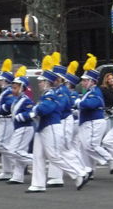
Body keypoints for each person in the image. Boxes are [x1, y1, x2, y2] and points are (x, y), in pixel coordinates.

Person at [25, 56, 88, 193]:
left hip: (51, 126)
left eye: (42, 81)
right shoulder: (48, 93)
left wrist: (35, 111)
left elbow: (48, 108)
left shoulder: (51, 93)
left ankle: (78, 173)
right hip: (43, 126)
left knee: (54, 155)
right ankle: (38, 184)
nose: (39, 83)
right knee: (38, 155)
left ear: (47, 82)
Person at [77, 54, 113, 179]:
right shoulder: (88, 92)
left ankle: (110, 159)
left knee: (90, 145)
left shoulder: (95, 91)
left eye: (85, 80)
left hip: (94, 121)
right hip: (88, 121)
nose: (83, 83)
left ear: (92, 81)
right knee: (84, 147)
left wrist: (79, 103)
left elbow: (93, 103)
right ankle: (89, 170)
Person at [7, 66, 35, 184]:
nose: (13, 90)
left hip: (25, 127)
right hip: (19, 127)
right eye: (12, 87)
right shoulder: (17, 99)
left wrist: (21, 116)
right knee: (20, 150)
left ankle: (37, 161)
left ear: (21, 88)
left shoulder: (26, 99)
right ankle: (18, 176)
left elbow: (31, 112)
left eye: (15, 88)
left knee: (14, 151)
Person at [0, 59, 16, 181]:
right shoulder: (5, 91)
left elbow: (10, 105)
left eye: (1, 80)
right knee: (4, 144)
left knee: (0, 144)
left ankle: (18, 163)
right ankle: (7, 171)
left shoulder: (9, 92)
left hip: (7, 120)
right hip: (3, 120)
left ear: (6, 81)